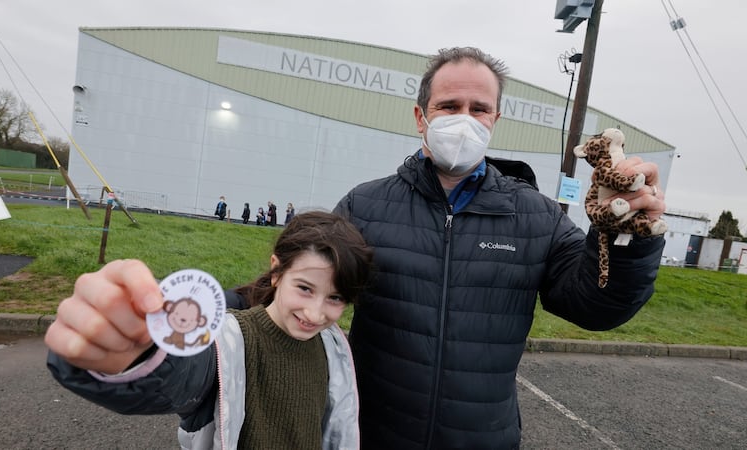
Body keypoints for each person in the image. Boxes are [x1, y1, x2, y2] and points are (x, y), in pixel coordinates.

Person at [333, 47, 666, 449]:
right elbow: (304, 286)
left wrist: (626, 237)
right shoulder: (364, 206)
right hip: (373, 434)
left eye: (479, 109)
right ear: (421, 116)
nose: (464, 119)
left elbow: (595, 307)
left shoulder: (536, 216)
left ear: (495, 119)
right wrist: (237, 308)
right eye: (449, 106)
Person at [45, 211, 374, 449]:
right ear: (277, 272)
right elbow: (180, 376)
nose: (315, 313)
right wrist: (135, 352)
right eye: (304, 288)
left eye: (335, 298)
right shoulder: (229, 339)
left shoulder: (334, 348)